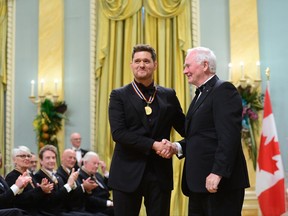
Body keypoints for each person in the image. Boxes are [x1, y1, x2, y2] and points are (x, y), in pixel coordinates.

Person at [164, 47, 250, 215]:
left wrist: (217, 172)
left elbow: (229, 137)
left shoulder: (223, 90)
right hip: (199, 184)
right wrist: (177, 147)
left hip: (219, 184)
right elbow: (201, 137)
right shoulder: (201, 95)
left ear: (204, 65)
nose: (184, 71)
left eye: (188, 66)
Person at [108, 44, 185, 216]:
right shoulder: (118, 95)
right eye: (137, 61)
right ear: (131, 64)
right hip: (126, 174)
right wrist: (153, 145)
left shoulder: (168, 94)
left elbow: (186, 128)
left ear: (155, 65)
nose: (141, 65)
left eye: (146, 61)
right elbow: (119, 133)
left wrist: (175, 146)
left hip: (159, 174)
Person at [5, 146, 53, 215]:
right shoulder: (12, 176)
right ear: (14, 159)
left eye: (28, 156)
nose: (27, 158)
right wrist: (40, 190)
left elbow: (37, 198)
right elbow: (17, 201)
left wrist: (45, 190)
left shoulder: (30, 175)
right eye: (23, 156)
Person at [33, 145, 79, 216]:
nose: (51, 160)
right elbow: (52, 201)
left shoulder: (57, 176)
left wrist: (72, 184)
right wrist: (68, 184)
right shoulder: (38, 177)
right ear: (41, 161)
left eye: (53, 158)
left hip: (64, 211)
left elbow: (67, 198)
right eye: (48, 158)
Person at [56, 149, 99, 216]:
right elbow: (66, 197)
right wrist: (83, 187)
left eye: (74, 158)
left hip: (80, 209)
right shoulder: (59, 175)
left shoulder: (74, 172)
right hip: (68, 210)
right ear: (62, 158)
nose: (73, 160)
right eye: (70, 157)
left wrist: (87, 190)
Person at [78, 151, 114, 216]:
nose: (97, 166)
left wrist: (105, 172)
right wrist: (107, 203)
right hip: (95, 209)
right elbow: (89, 199)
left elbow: (109, 188)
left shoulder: (97, 174)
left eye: (98, 164)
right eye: (94, 163)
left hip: (107, 204)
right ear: (85, 163)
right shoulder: (80, 176)